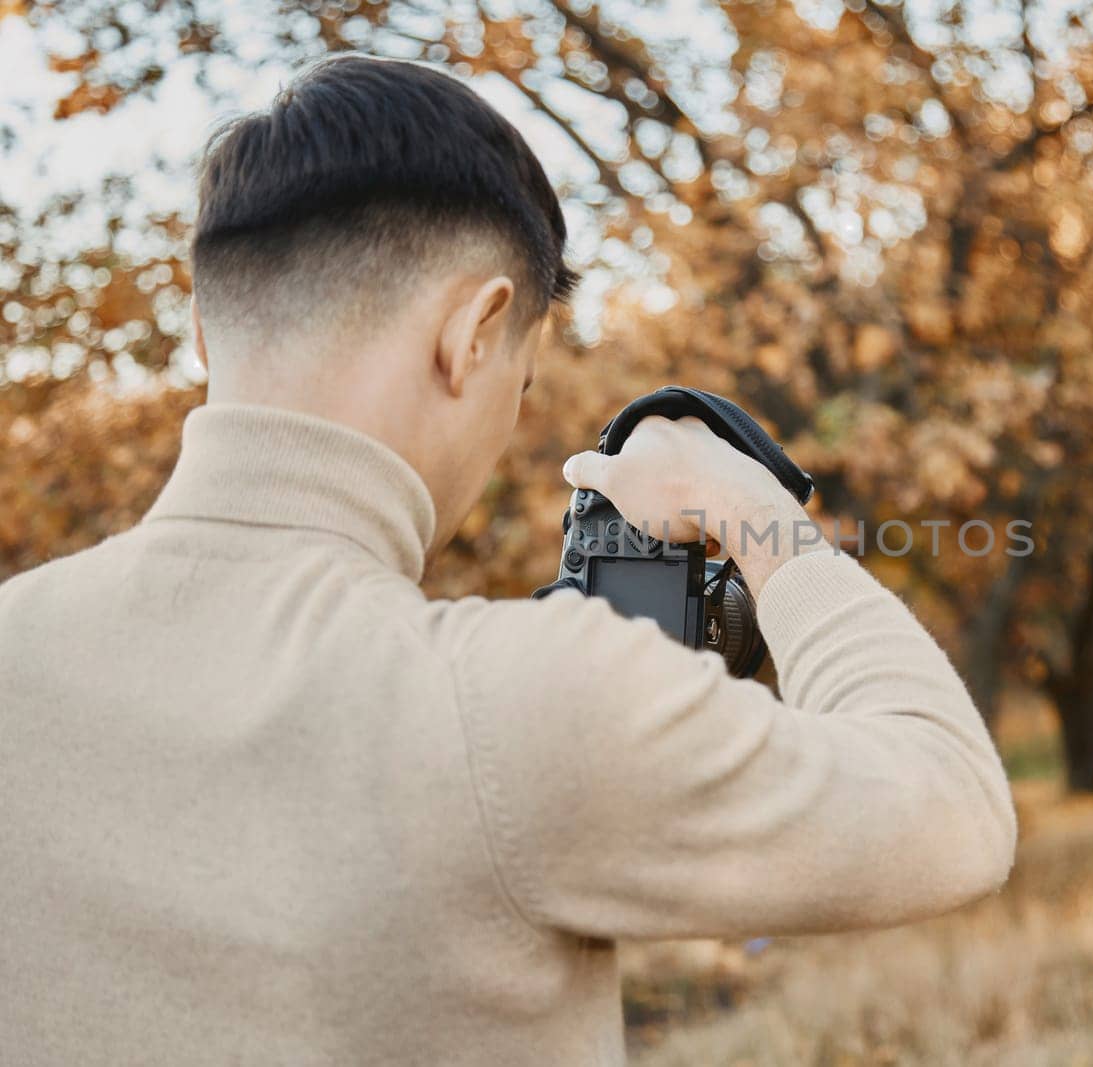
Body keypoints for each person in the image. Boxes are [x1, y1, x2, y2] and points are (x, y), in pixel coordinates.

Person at [0, 57, 1015, 1065]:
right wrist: (747, 506)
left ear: (202, 335)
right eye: (521, 385)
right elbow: (951, 806)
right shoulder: (512, 696)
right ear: (473, 333)